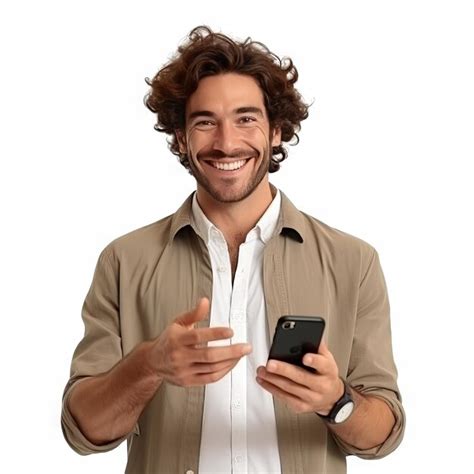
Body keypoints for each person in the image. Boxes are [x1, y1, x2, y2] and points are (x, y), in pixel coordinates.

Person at [61, 25, 405, 474]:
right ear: (181, 139)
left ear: (276, 131)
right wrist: (149, 365)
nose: (226, 142)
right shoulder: (125, 261)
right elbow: (83, 430)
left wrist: (334, 400)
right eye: (205, 121)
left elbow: (384, 435)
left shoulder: (353, 261)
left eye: (246, 118)